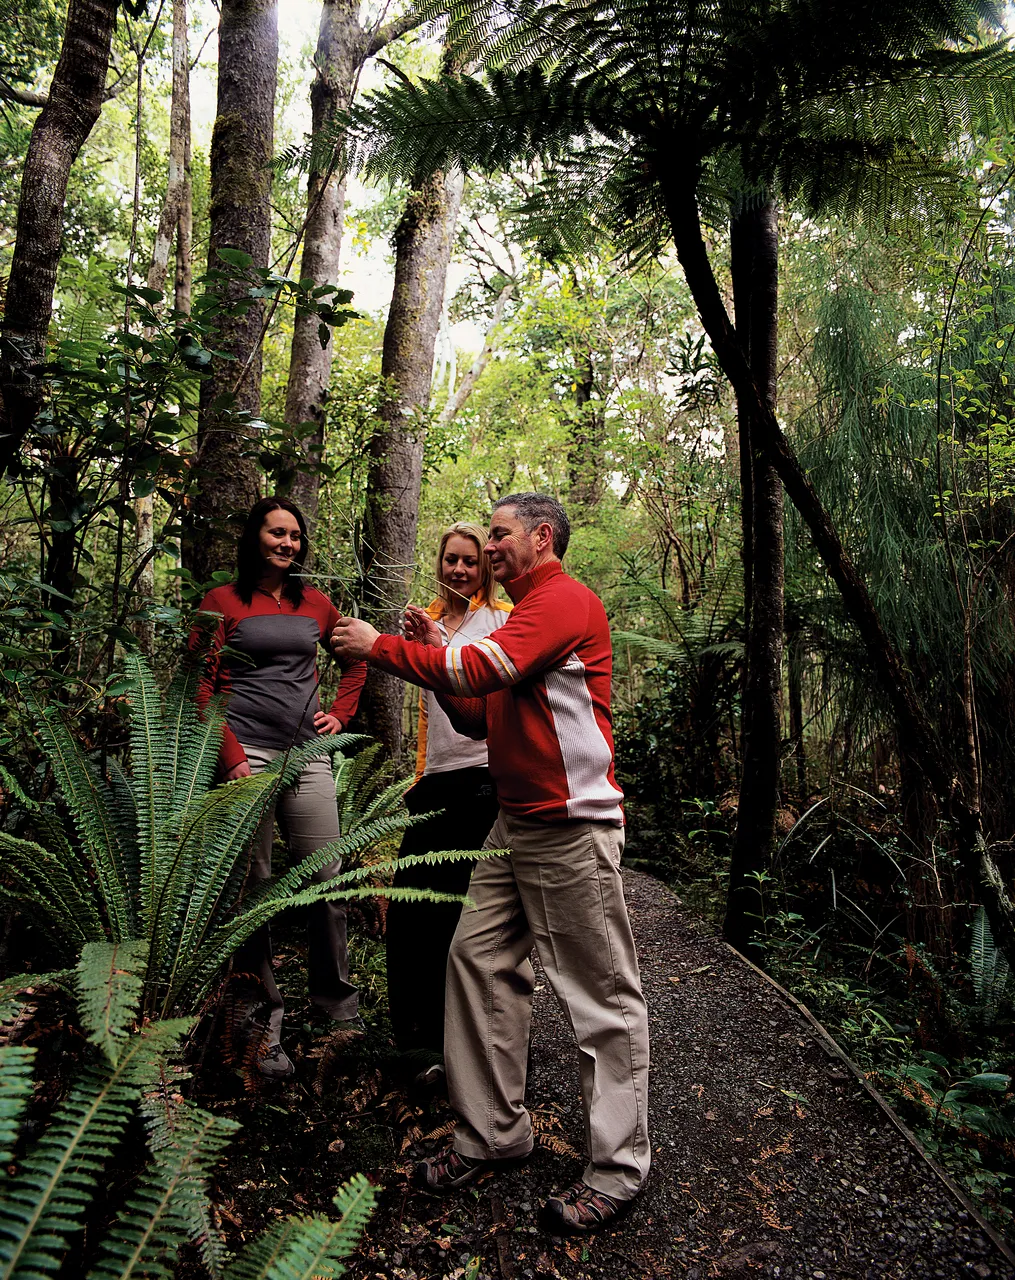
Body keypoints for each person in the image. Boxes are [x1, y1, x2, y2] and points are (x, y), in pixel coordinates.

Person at [332, 493, 650, 1235]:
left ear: (540, 537)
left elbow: (480, 669)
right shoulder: (521, 616)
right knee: (476, 960)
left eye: (501, 534)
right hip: (515, 821)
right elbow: (477, 713)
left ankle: (618, 1167)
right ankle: (494, 1132)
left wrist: (380, 647)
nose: (491, 544)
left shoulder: (561, 601)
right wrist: (428, 658)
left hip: (570, 823)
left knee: (599, 995)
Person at [192, 496, 368, 1080]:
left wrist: (341, 713)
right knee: (255, 888)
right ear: (255, 537)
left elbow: (357, 658)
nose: (287, 543)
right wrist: (230, 755)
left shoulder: (314, 603)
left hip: (307, 753)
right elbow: (200, 684)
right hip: (248, 755)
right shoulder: (221, 602)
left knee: (326, 878)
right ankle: (261, 1025)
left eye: (294, 535)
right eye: (276, 533)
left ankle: (337, 1012)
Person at [386, 521, 511, 1072]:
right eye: (450, 560)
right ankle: (418, 1040)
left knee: (467, 916)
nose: (458, 569)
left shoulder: (503, 621)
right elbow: (425, 713)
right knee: (413, 908)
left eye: (469, 561)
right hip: (435, 779)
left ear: (484, 568)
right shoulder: (427, 621)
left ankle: (475, 1047)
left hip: (483, 779)